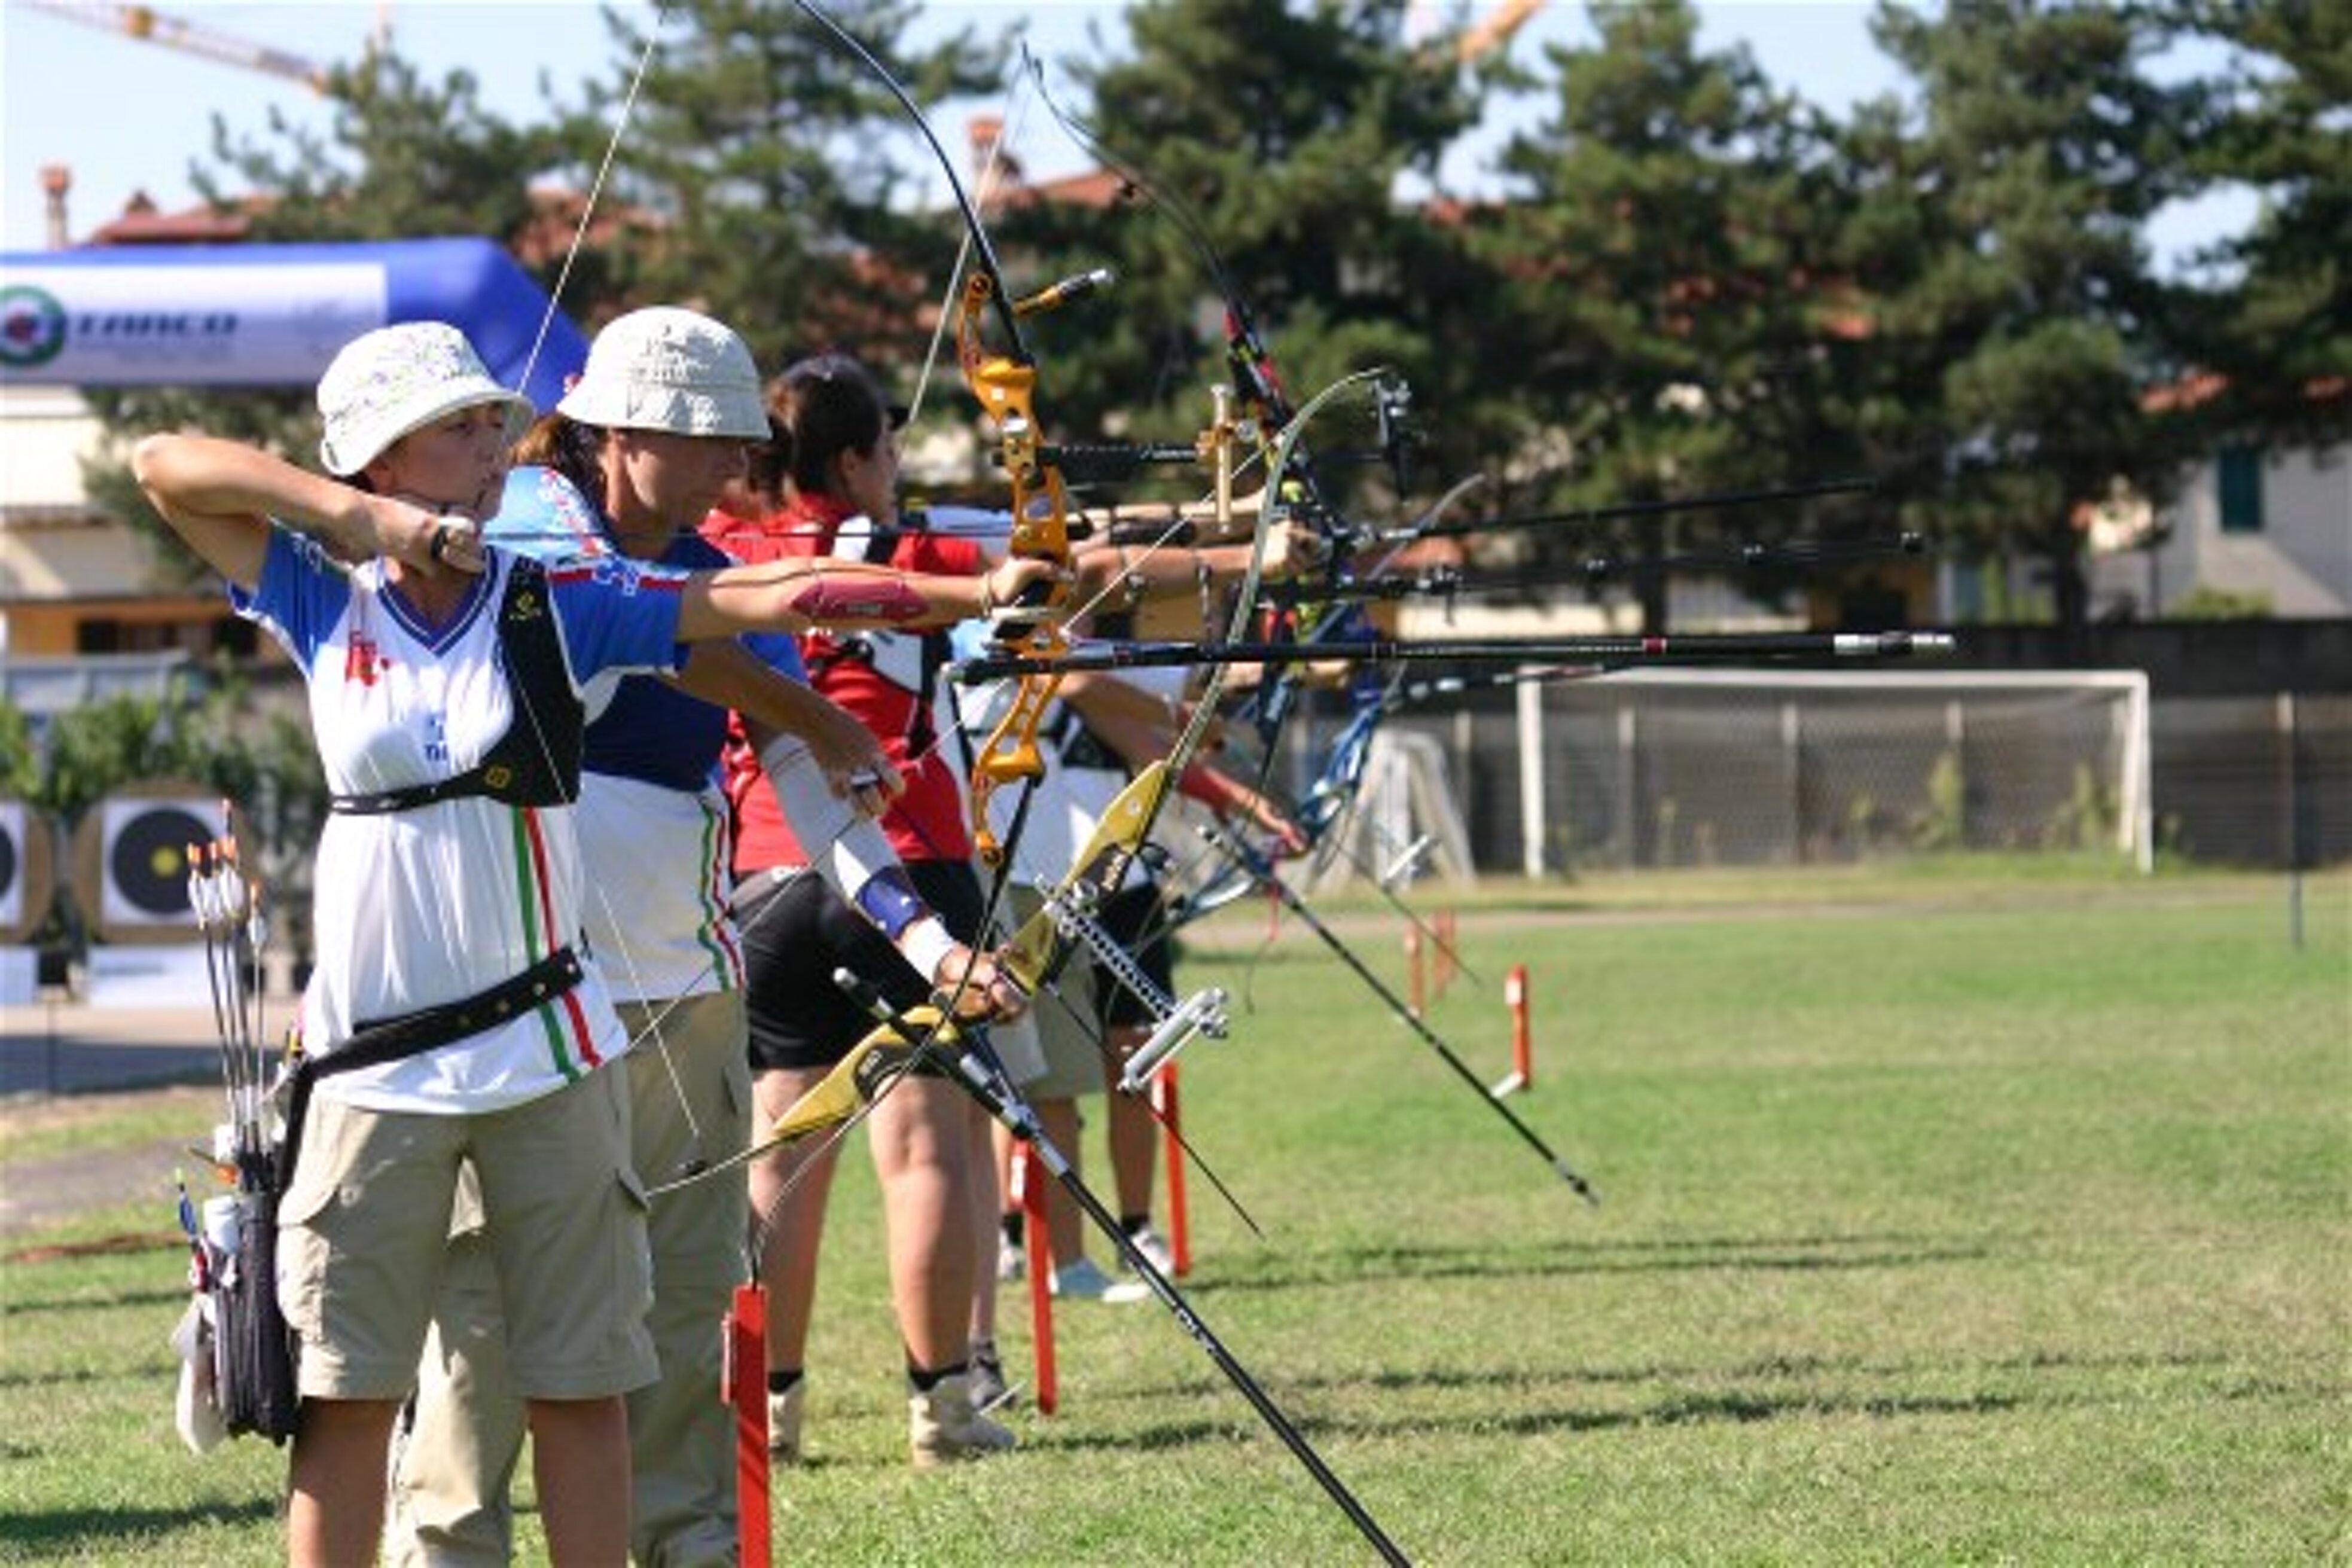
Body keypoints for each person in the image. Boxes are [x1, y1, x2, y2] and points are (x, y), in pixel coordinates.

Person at [130, 318, 1055, 1564]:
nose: (496, 442)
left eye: (493, 421)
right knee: (356, 1385)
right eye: (460, 427)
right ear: (385, 456)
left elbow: (765, 594)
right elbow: (163, 465)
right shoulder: (323, 594)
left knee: (589, 1372)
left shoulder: (554, 600)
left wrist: (975, 591)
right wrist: (360, 521)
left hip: (542, 1050)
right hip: (374, 1064)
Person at [381, 307, 1026, 1566]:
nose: (739, 467)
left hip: (683, 996)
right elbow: (656, 625)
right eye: (712, 442)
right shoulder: (519, 532)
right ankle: (446, 1549)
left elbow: (806, 786)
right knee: (490, 1312)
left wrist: (930, 946)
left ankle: (687, 1545)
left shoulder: (706, 566)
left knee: (683, 1312)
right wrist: (964, 592)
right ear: (623, 434)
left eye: (745, 443)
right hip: (521, 1002)